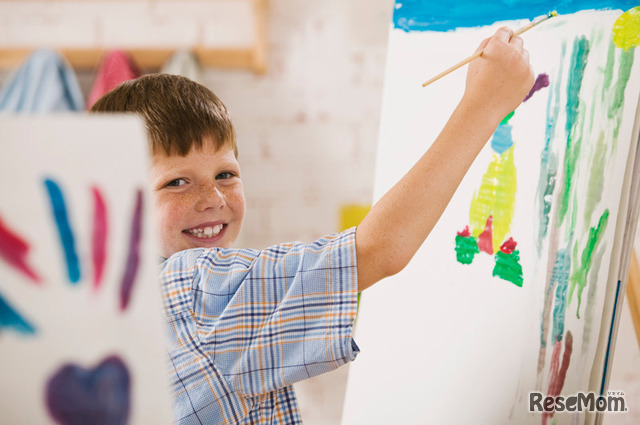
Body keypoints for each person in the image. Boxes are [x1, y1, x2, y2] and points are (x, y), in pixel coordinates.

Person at [91, 27, 534, 425]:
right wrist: (484, 105)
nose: (213, 198)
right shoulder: (192, 287)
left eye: (226, 173)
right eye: (176, 182)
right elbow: (380, 250)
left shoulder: (110, 296)